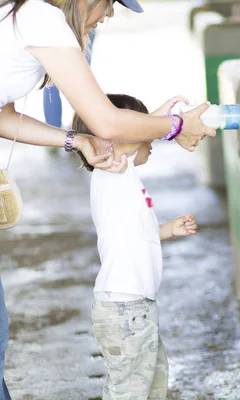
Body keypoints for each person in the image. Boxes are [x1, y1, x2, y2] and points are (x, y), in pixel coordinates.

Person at [0, 0, 216, 397]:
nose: (111, 14)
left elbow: (2, 117)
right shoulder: (40, 17)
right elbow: (109, 123)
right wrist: (176, 125)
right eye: (109, 2)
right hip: (125, 309)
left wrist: (75, 139)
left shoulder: (26, 21)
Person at [72, 94, 197, 399]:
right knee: (128, 390)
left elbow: (137, 231)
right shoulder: (111, 167)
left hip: (136, 306)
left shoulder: (125, 177)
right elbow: (121, 138)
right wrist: (165, 123)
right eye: (138, 125)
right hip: (125, 309)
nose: (148, 137)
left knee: (152, 383)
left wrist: (168, 230)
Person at [43, 28, 96, 128]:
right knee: (82, 76)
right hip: (82, 22)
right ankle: (82, 127)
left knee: (51, 77)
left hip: (56, 25)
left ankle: (53, 127)